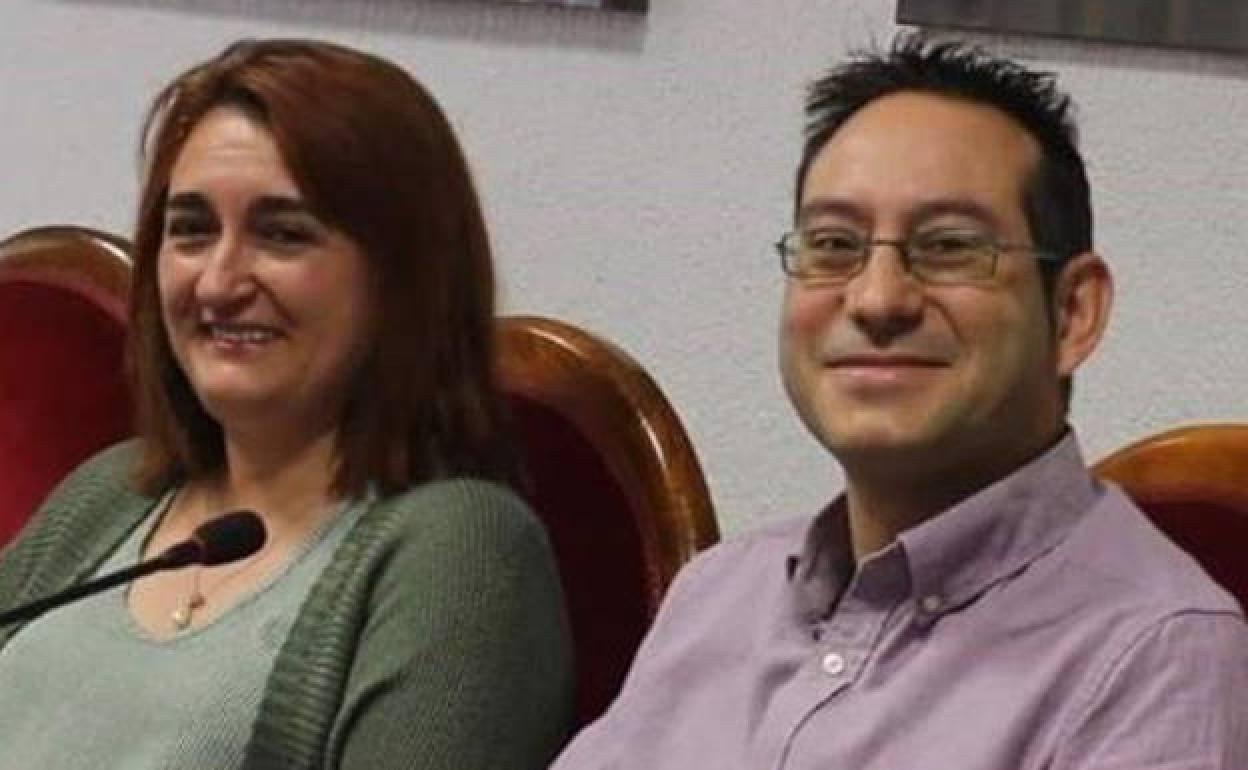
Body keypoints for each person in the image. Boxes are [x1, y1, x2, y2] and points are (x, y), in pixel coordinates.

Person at [552, 35, 1248, 769]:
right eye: (834, 245)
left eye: (949, 247)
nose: (877, 299)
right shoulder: (719, 593)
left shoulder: (1157, 660)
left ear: (1073, 312)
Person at [0, 39, 574, 769]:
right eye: (191, 230)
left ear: (404, 277)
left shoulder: (465, 557)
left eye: (282, 235)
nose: (218, 282)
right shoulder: (112, 492)